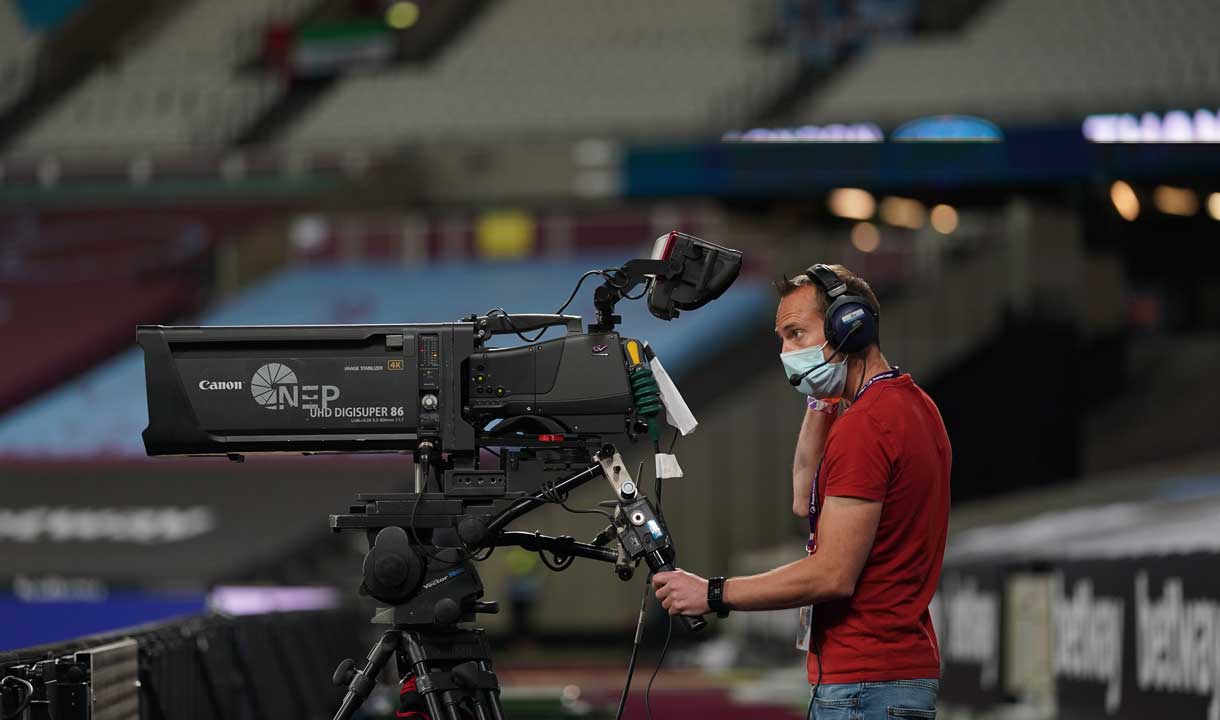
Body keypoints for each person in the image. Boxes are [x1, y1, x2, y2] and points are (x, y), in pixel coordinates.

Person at [652, 263, 952, 719]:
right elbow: (804, 497)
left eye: (796, 334)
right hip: (884, 680)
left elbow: (832, 574)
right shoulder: (910, 406)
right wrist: (822, 395)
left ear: (848, 328)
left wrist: (713, 593)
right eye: (781, 340)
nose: (787, 352)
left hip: (865, 687)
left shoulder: (866, 426)